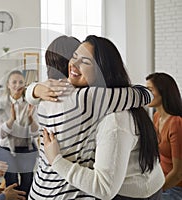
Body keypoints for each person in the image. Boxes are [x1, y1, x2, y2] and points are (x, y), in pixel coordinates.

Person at [26, 35, 156, 199]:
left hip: (39, 190)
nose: (74, 64)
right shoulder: (88, 98)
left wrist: (34, 89)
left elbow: (104, 189)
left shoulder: (48, 98)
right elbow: (145, 94)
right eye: (74, 57)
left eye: (85, 61)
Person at [0, 70, 39, 199]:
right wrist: (11, 120)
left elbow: (35, 134)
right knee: (12, 181)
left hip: (25, 146)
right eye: (14, 82)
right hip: (5, 146)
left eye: (21, 82)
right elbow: (0, 134)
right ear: (8, 85)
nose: (17, 85)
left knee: (28, 180)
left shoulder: (30, 104)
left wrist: (30, 119)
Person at [146, 72, 182, 200]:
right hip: (161, 181)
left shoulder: (176, 123)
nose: (146, 94)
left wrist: (155, 192)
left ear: (163, 92)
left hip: (175, 187)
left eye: (150, 90)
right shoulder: (156, 117)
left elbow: (178, 173)